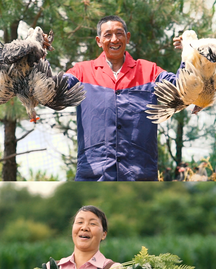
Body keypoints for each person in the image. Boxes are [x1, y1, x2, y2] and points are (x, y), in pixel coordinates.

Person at [66, 15, 183, 181]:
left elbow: (181, 86)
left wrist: (190, 52)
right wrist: (39, 56)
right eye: (108, 35)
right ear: (99, 41)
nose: (114, 39)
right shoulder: (81, 72)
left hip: (140, 175)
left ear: (127, 37)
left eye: (119, 33)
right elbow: (55, 87)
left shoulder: (150, 71)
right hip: (93, 176)